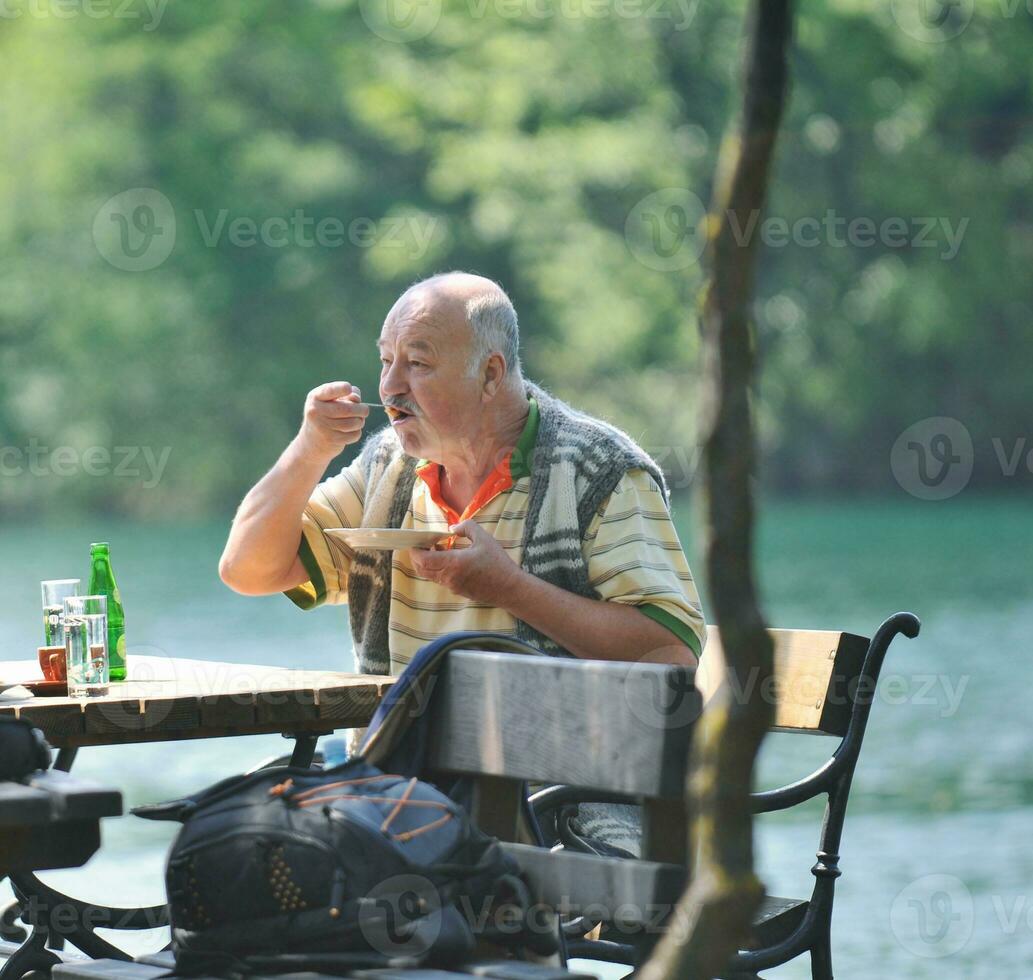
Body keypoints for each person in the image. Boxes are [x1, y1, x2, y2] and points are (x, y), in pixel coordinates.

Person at [219, 272, 706, 677]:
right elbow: (248, 570)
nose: (389, 387)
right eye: (387, 360)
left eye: (417, 364)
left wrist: (508, 588)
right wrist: (309, 450)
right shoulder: (389, 466)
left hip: (548, 790)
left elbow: (670, 656)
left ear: (491, 375)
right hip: (402, 782)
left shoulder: (600, 472)